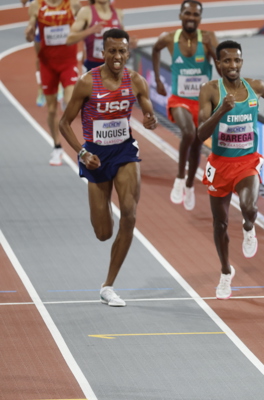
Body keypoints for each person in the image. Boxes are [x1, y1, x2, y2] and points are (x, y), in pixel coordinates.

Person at [58, 28, 158, 306]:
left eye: (122, 51)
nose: (117, 56)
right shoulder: (87, 83)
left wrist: (150, 120)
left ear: (128, 52)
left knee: (130, 213)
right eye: (112, 50)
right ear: (102, 53)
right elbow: (64, 123)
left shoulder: (136, 81)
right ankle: (105, 211)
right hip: (96, 156)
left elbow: (148, 111)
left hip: (124, 151)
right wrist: (81, 152)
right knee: (103, 233)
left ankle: (108, 285)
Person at [197, 41, 264, 300]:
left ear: (242, 62)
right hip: (219, 164)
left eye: (237, 60)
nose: (232, 65)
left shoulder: (255, 87)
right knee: (220, 223)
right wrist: (221, 110)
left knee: (250, 207)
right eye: (227, 61)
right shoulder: (210, 90)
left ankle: (249, 227)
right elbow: (200, 133)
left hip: (247, 161)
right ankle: (225, 272)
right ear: (219, 64)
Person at [153, 0, 218, 211]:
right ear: (180, 15)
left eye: (195, 15)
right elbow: (155, 50)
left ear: (200, 18)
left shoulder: (208, 38)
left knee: (198, 141)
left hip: (202, 102)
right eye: (187, 14)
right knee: (189, 133)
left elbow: (220, 64)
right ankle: (180, 178)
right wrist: (158, 80)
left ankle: (190, 185)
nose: (191, 18)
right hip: (179, 99)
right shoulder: (169, 38)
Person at [24, 0, 81, 166]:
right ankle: (57, 147)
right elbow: (30, 31)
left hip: (68, 62)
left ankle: (74, 137)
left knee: (70, 102)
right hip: (47, 64)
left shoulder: (73, 5)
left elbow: (85, 20)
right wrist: (29, 32)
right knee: (51, 110)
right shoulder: (37, 6)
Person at [66, 0, 125, 72]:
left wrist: (129, 43)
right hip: (93, 66)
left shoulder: (118, 13)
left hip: (114, 66)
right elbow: (69, 40)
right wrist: (89, 31)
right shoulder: (86, 12)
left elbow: (123, 41)